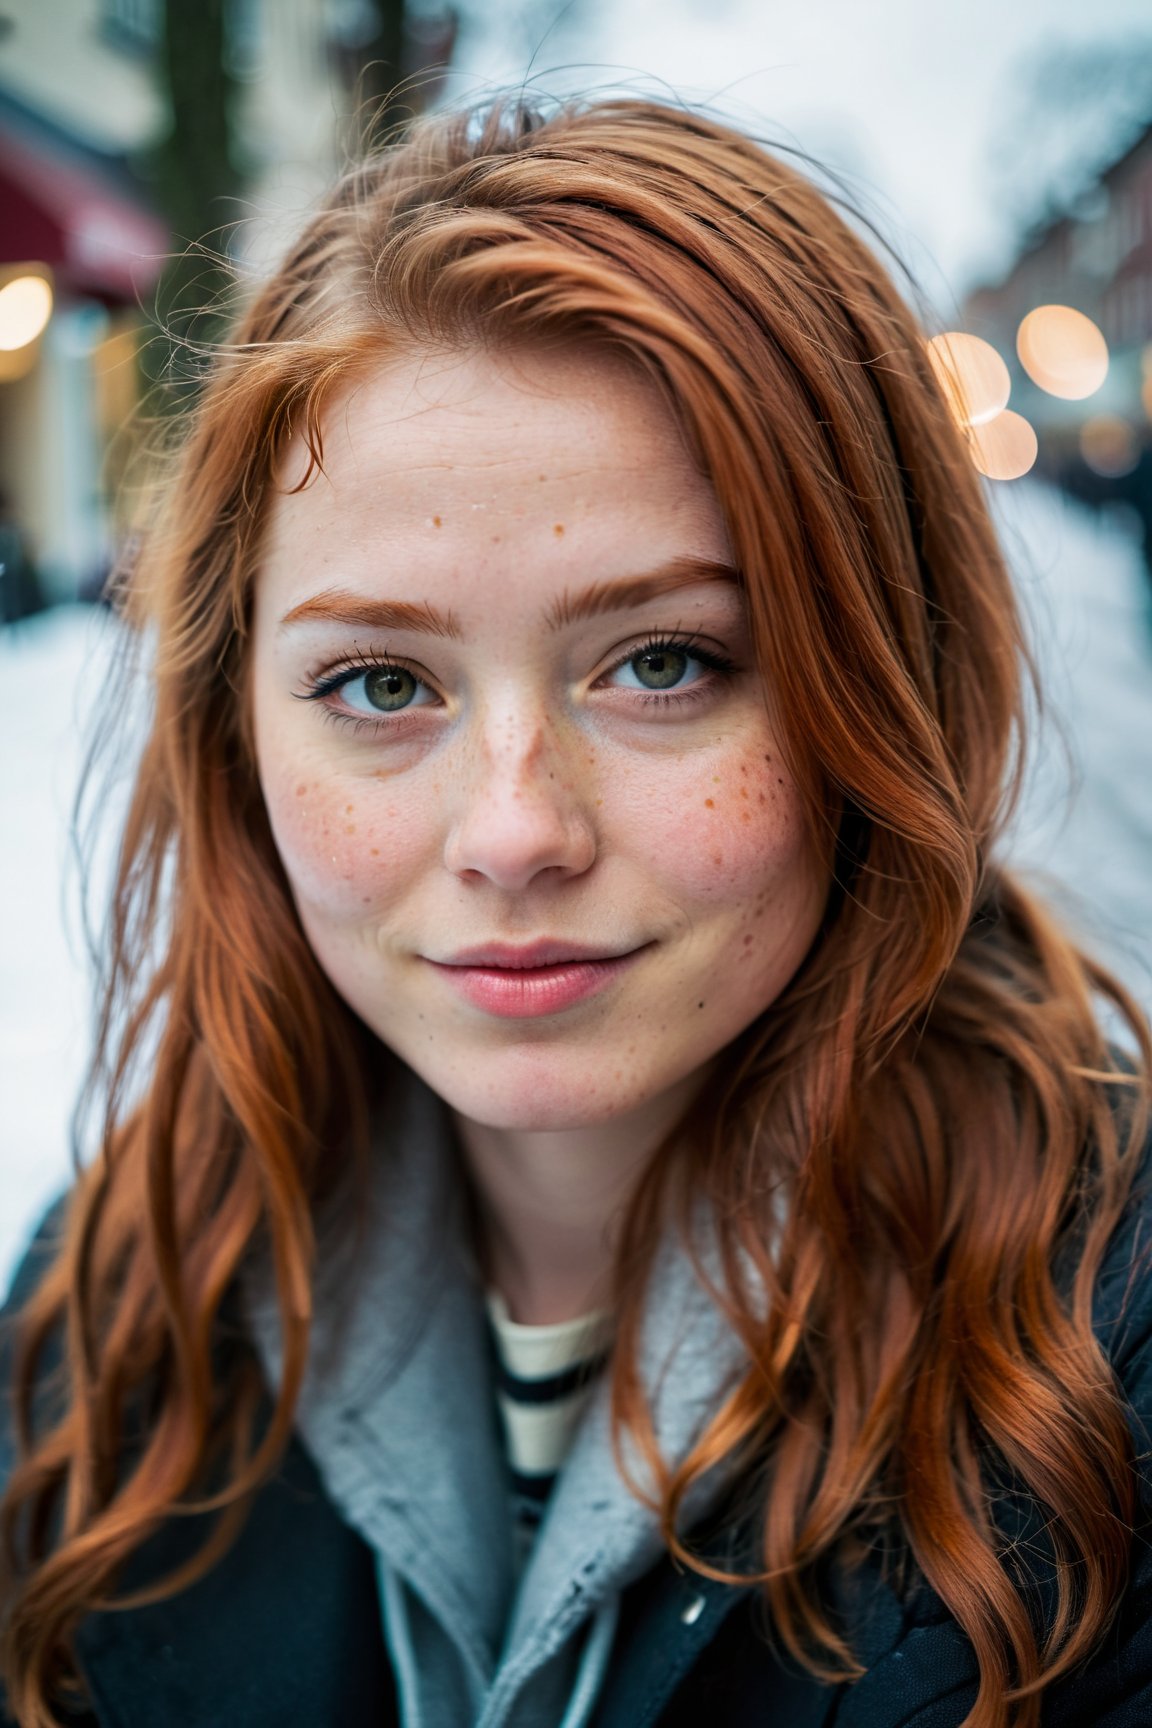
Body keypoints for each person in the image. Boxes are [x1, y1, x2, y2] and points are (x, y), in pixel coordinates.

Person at [1, 94, 1150, 1728]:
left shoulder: (1119, 1370)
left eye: (665, 663)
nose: (515, 831)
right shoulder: (102, 1326)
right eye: (383, 682)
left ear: (882, 678)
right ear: (234, 728)